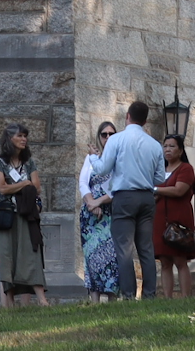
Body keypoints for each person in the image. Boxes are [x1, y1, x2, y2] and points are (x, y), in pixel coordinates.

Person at [88, 102, 167, 299]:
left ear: (127, 116)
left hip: (124, 197)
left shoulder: (116, 140)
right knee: (146, 248)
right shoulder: (155, 145)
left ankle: (129, 295)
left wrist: (92, 158)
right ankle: (149, 295)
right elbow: (160, 179)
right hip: (147, 197)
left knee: (123, 249)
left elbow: (102, 169)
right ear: (145, 120)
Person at [0, 123, 49, 306]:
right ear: (10, 139)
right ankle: (9, 304)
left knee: (31, 255)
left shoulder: (28, 162)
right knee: (7, 257)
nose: (24, 139)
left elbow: (38, 187)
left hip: (26, 215)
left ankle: (42, 300)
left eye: (25, 136)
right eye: (20, 136)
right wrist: (24, 185)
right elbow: (2, 188)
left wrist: (19, 186)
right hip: (7, 217)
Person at [77, 122, 121, 302]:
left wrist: (98, 202)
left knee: (111, 258)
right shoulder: (91, 158)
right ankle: (94, 301)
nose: (108, 137)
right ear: (99, 137)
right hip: (90, 216)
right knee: (91, 256)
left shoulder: (119, 159)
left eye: (112, 134)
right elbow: (83, 182)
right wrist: (91, 203)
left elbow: (117, 187)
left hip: (110, 214)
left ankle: (111, 300)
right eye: (104, 134)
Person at [153, 135, 195, 298]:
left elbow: (179, 190)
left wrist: (157, 190)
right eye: (165, 146)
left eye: (172, 146)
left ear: (180, 150)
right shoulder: (160, 171)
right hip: (160, 221)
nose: (167, 150)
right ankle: (167, 298)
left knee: (180, 260)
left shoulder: (185, 168)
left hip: (178, 220)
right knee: (165, 262)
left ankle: (185, 297)